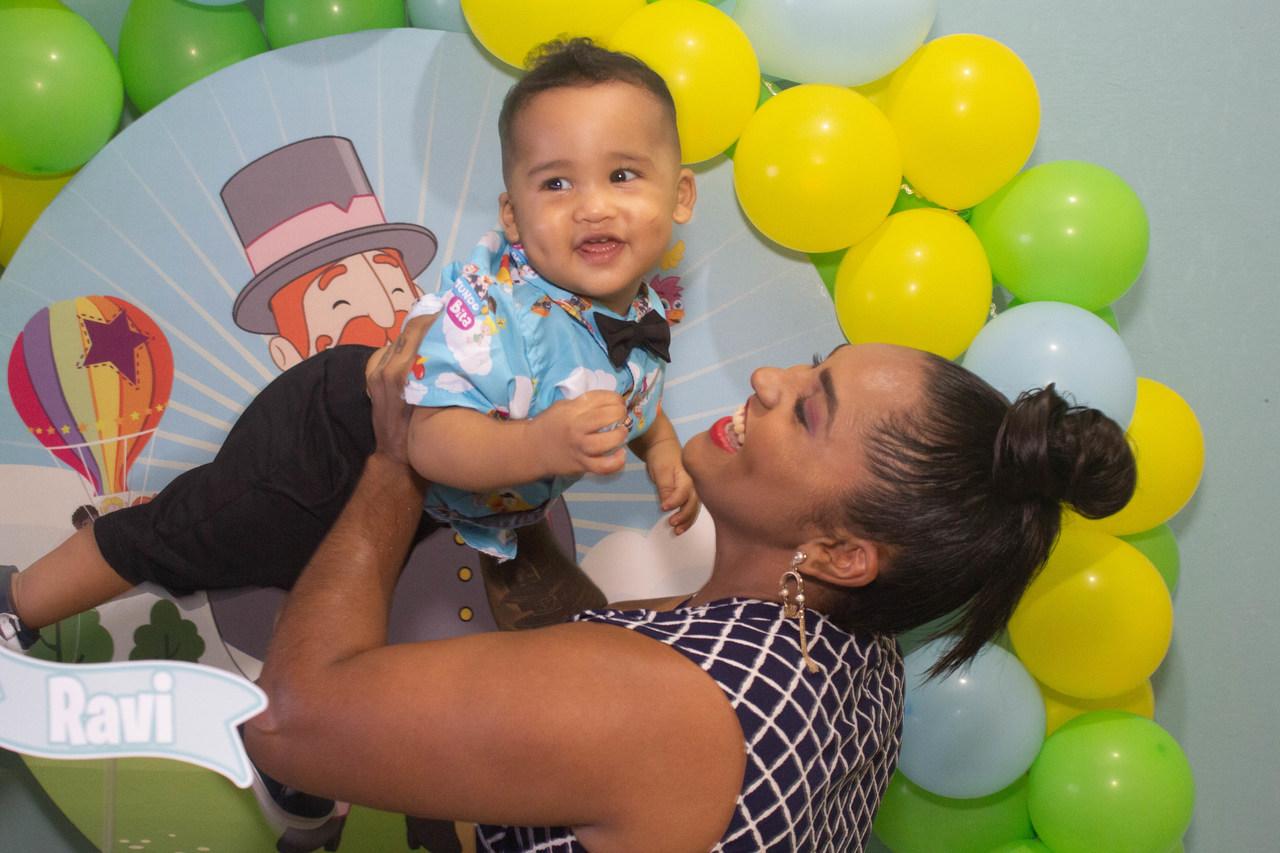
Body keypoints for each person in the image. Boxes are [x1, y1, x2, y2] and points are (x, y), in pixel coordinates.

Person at [241, 311, 1137, 851]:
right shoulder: (862, 667)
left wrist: (402, 457)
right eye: (813, 362)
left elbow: (287, 721)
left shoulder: (679, 710)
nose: (768, 380)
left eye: (808, 409)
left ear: (842, 553)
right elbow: (613, 666)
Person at [0, 40, 700, 656]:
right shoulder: (497, 318)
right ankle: (20, 599)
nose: (593, 205)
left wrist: (661, 449)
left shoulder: (636, 313)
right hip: (332, 434)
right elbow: (427, 442)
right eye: (557, 183)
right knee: (190, 533)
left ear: (680, 196)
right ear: (513, 216)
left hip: (443, 494)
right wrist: (541, 443)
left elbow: (631, 383)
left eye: (622, 175)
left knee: (350, 589)